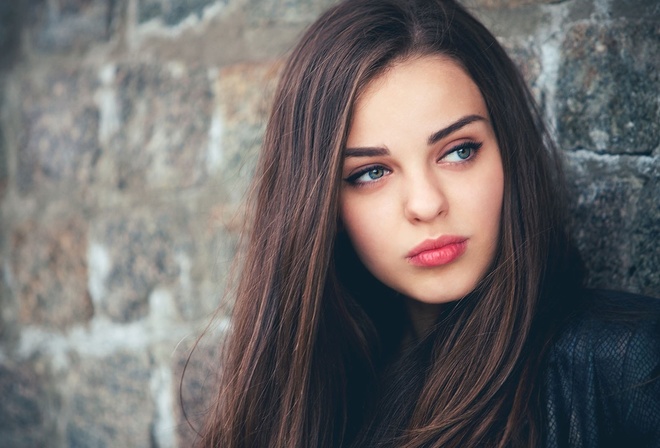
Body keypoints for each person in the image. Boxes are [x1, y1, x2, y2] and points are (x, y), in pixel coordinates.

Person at [193, 0, 660, 446]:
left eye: (459, 151)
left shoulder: (627, 361)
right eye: (371, 173)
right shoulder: (320, 397)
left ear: (508, 151)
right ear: (325, 206)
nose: (425, 204)